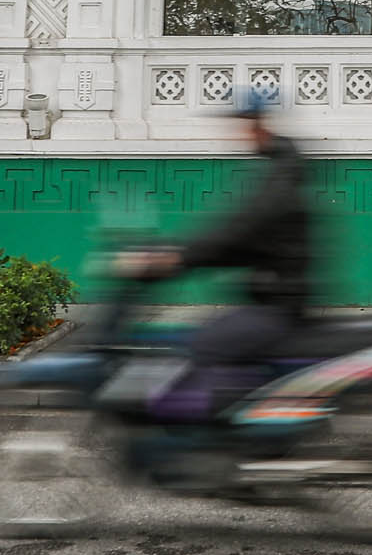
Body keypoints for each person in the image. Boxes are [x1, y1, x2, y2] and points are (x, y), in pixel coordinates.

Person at [128, 88, 316, 406]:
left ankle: (224, 439)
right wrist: (185, 255)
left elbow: (238, 231)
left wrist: (180, 258)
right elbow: (240, 240)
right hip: (271, 297)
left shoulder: (280, 180)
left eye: (245, 124)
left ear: (261, 124)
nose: (240, 134)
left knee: (206, 345)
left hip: (279, 306)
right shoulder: (279, 169)